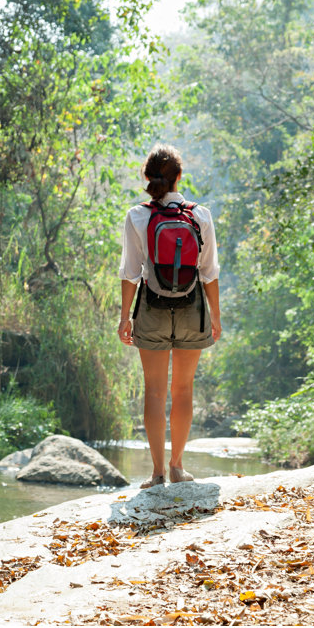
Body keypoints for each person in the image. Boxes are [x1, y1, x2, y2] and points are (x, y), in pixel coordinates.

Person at [117, 145, 221, 488]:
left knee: (154, 392)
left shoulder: (137, 215)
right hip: (193, 308)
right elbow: (209, 273)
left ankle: (157, 472)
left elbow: (130, 271)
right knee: (184, 389)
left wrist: (124, 318)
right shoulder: (200, 215)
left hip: (151, 307)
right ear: (179, 177)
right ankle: (178, 466)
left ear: (148, 178)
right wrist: (215, 318)